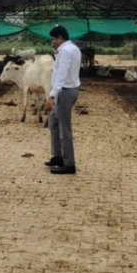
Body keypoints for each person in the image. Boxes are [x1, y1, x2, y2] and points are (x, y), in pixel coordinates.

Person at [44, 24, 81, 174]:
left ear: (60, 38)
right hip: (65, 91)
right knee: (53, 122)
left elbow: (61, 74)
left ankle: (69, 164)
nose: (52, 41)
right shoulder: (71, 49)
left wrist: (52, 95)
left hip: (64, 92)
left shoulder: (66, 51)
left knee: (64, 129)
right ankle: (58, 156)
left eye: (54, 38)